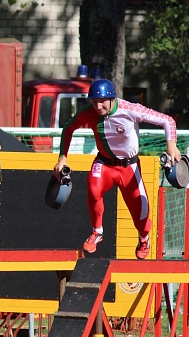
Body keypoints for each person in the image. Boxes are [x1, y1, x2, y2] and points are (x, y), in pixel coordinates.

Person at [54, 79, 181, 259]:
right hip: (104, 163)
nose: (98, 106)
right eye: (94, 101)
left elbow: (168, 121)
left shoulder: (130, 109)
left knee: (143, 221)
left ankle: (144, 238)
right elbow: (68, 129)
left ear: (113, 98)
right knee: (93, 186)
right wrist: (62, 158)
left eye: (102, 101)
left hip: (129, 167)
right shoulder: (88, 113)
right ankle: (97, 231)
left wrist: (171, 145)